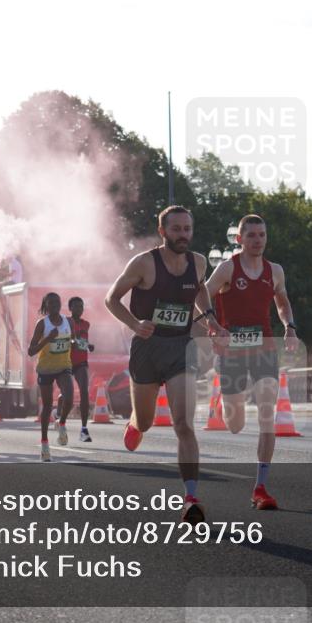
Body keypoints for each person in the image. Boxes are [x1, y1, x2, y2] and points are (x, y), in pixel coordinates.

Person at [104, 205, 229, 524]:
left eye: (187, 229)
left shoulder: (198, 262)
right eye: (176, 229)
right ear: (163, 232)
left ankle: (191, 499)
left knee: (183, 424)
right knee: (146, 421)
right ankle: (135, 423)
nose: (183, 235)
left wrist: (210, 320)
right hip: (147, 348)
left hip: (179, 348)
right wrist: (134, 324)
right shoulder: (144, 263)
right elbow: (112, 299)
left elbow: (200, 290)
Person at [205, 214, 299, 510]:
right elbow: (201, 296)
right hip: (231, 351)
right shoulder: (227, 268)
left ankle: (260, 486)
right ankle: (225, 402)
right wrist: (212, 326)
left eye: (262, 235)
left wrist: (290, 327)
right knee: (234, 424)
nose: (258, 240)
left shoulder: (276, 271)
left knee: (267, 414)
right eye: (252, 235)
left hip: (264, 347)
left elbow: (281, 301)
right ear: (239, 239)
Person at [27, 292, 74, 461]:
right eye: (51, 303)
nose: (54, 305)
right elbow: (31, 351)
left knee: (69, 398)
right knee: (47, 407)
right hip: (46, 369)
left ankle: (61, 422)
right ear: (46, 306)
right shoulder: (42, 324)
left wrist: (82, 344)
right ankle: (45, 444)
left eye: (57, 302)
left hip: (64, 366)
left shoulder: (68, 321)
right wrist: (47, 339)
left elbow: (73, 340)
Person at [68, 296, 95, 442]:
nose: (79, 309)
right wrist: (73, 340)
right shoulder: (65, 322)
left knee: (84, 392)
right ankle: (58, 414)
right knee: (67, 397)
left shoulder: (86, 324)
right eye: (76, 306)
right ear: (70, 308)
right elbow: (69, 339)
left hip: (81, 363)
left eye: (81, 306)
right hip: (66, 362)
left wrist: (89, 346)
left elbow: (83, 341)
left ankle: (84, 429)